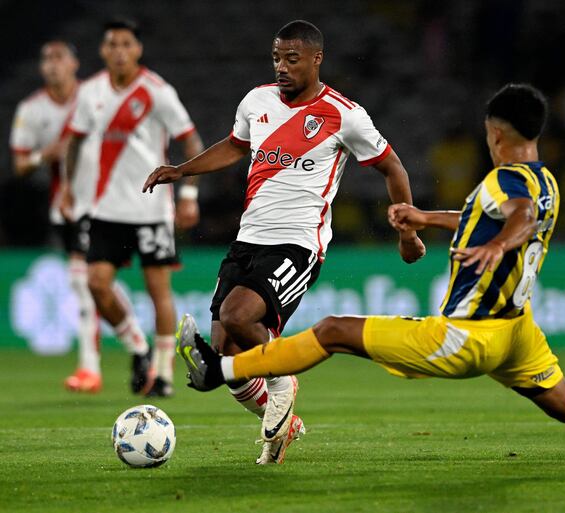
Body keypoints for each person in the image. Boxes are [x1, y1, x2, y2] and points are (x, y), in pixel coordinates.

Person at [176, 83, 565, 475]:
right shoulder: (546, 180)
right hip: (518, 334)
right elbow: (497, 214)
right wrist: (426, 218)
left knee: (330, 331)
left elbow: (513, 217)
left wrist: (500, 243)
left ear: (496, 133)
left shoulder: (506, 182)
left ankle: (219, 370)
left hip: (467, 337)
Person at [143, 20, 425, 464]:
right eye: (276, 58)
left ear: (316, 59)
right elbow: (235, 146)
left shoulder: (344, 114)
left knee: (239, 316)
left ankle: (283, 382)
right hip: (249, 237)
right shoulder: (256, 101)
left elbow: (394, 169)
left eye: (292, 59)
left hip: (298, 243)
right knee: (226, 354)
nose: (282, 67)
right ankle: (284, 423)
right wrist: (183, 170)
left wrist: (407, 233)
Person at [62, 19, 204, 397]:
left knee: (159, 291)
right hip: (105, 210)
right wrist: (66, 188)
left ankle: (163, 374)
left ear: (138, 50)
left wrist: (188, 196)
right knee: (96, 284)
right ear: (103, 51)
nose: (119, 50)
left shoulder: (157, 91)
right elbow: (74, 144)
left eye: (126, 44)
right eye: (112, 44)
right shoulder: (90, 91)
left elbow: (192, 144)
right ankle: (138, 348)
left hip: (151, 210)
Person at [10, 40, 107, 392]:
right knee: (87, 285)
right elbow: (19, 164)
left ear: (74, 63)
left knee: (93, 284)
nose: (52, 64)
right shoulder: (32, 109)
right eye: (45, 58)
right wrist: (44, 155)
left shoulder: (96, 95)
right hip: (67, 206)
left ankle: (112, 362)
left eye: (58, 57)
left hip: (109, 202)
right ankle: (97, 364)